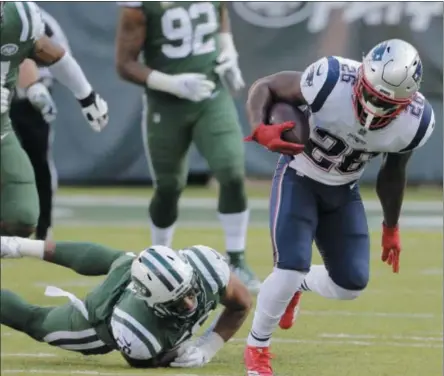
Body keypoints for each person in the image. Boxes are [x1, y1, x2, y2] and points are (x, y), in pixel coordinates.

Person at [242, 39, 435, 375]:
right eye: (371, 94)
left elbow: (393, 174)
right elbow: (266, 86)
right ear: (361, 75)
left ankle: (299, 288)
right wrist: (259, 127)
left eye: (385, 102)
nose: (373, 106)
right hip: (298, 176)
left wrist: (391, 227)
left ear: (405, 103)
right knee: (289, 267)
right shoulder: (331, 77)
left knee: (351, 285)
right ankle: (257, 348)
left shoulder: (416, 122)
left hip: (343, 190)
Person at [115, 2, 260, 293]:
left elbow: (220, 15)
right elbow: (125, 64)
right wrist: (171, 83)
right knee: (169, 187)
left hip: (210, 95)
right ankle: (157, 259)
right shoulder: (140, 6)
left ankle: (237, 259)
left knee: (231, 172)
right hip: (166, 105)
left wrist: (228, 50)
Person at [0, 236, 252, 368]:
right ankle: (15, 247)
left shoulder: (206, 266)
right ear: (152, 303)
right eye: (176, 303)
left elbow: (241, 304)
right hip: (102, 319)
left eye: (190, 292)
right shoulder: (137, 331)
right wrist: (178, 353)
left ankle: (15, 245)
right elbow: (143, 362)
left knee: (123, 259)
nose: (189, 305)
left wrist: (208, 348)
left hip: (134, 275)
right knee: (36, 321)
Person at [1, 1, 108, 238]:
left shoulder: (22, 17)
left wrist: (86, 95)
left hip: (6, 121)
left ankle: (42, 228)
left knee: (23, 215)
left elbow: (42, 52)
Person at [10, 6, 73, 240]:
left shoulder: (39, 19)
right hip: (6, 95)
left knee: (39, 161)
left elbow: (63, 57)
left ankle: (44, 226)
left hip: (30, 100)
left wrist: (41, 88)